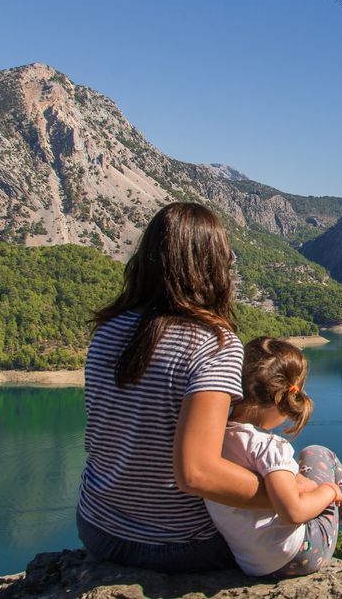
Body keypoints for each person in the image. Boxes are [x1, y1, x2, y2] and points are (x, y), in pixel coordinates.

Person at [77, 202, 273, 572]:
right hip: (180, 546)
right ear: (212, 266)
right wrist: (281, 495)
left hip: (97, 529)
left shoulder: (107, 330)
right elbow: (196, 472)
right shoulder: (214, 345)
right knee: (316, 497)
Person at [205, 337, 342, 577]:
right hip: (301, 555)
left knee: (303, 476)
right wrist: (328, 492)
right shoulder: (269, 446)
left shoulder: (210, 441)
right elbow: (293, 513)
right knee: (318, 454)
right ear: (282, 399)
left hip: (250, 563)